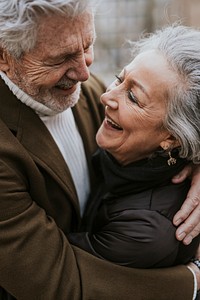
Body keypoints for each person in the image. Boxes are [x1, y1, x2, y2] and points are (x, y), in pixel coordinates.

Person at [0, 1, 199, 299]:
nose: (84, 72)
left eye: (88, 45)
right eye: (62, 58)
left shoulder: (83, 90)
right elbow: (58, 284)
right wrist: (192, 280)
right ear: (5, 56)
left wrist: (194, 155)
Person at [68, 25, 200, 271]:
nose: (106, 97)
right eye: (120, 78)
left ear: (171, 138)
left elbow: (46, 267)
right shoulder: (129, 146)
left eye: (133, 97)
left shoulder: (146, 232)